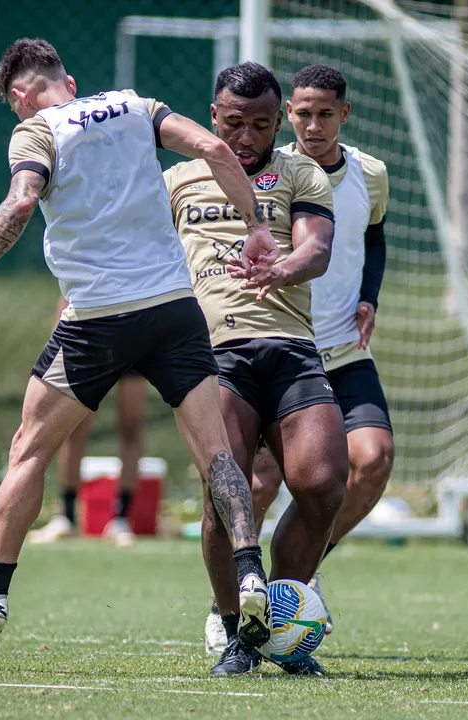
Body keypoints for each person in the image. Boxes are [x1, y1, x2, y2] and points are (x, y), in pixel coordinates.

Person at [0, 38, 277, 656]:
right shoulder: (138, 106)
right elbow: (217, 149)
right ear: (71, 80)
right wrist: (256, 229)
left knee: (29, 446)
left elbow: (23, 200)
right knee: (217, 452)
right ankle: (250, 573)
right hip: (174, 308)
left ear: (20, 97)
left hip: (97, 317)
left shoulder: (36, 133)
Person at [165, 62, 347, 676]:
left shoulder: (299, 172)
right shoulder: (179, 180)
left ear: (279, 123)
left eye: (262, 125)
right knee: (226, 494)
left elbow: (316, 249)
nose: (247, 138)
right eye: (234, 123)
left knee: (322, 483)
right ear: (214, 117)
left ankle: (279, 622)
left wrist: (281, 268)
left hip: (291, 347)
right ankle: (236, 632)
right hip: (212, 354)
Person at [226, 64, 394, 646]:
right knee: (255, 484)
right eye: (303, 113)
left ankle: (301, 576)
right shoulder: (263, 173)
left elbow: (372, 234)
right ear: (286, 115)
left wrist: (369, 296)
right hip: (281, 350)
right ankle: (235, 612)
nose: (313, 124)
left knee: (371, 461)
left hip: (343, 350)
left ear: (344, 115)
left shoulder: (370, 174)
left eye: (326, 113)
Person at [28, 297, 147, 548]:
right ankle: (67, 517)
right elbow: (67, 293)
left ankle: (121, 519)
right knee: (73, 428)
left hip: (133, 336)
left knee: (131, 428)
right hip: (90, 336)